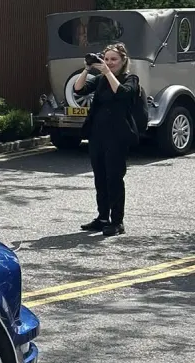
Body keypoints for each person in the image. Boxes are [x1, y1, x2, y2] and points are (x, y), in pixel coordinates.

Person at [73, 42, 139, 237]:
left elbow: (122, 93)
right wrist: (87, 68)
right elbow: (79, 89)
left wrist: (108, 73)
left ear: (123, 61)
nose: (109, 63)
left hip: (118, 136)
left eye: (113, 60)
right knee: (100, 178)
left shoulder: (130, 79)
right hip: (97, 135)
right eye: (107, 59)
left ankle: (117, 222)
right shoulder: (100, 79)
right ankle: (102, 218)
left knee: (114, 178)